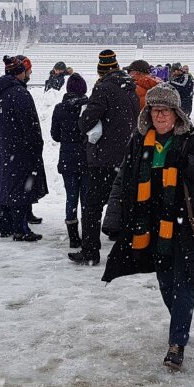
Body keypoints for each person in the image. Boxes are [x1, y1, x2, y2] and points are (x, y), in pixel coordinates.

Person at [100, 84, 194, 370]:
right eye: (155, 111)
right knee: (166, 282)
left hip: (184, 225)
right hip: (151, 224)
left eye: (165, 111)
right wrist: (114, 214)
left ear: (177, 114)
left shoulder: (193, 139)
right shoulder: (141, 140)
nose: (160, 117)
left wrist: (189, 163)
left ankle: (177, 341)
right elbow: (123, 179)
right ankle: (180, 322)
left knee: (182, 282)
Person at [70, 50, 139, 266]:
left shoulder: (103, 89)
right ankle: (128, 250)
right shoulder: (130, 88)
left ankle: (90, 251)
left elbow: (85, 123)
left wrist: (85, 116)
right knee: (124, 203)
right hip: (126, 156)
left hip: (105, 158)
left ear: (102, 70)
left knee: (92, 206)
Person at [0, 55, 48, 242]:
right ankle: (20, 229)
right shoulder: (19, 94)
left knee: (5, 183)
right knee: (21, 188)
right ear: (19, 72)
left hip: (3, 145)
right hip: (20, 147)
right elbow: (30, 125)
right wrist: (36, 145)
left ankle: (5, 224)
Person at [50, 73, 89, 249]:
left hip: (67, 158)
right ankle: (89, 234)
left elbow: (55, 135)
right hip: (87, 159)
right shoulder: (89, 107)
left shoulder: (59, 108)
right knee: (88, 200)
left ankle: (73, 237)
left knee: (71, 198)